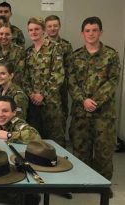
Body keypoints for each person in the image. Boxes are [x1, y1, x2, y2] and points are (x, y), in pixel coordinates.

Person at [69, 17, 120, 188]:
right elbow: (71, 81)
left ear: (101, 32)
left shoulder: (111, 55)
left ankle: (102, 186)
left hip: (103, 114)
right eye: (88, 30)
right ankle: (82, 183)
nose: (91, 33)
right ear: (82, 33)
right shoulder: (76, 56)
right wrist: (84, 100)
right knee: (80, 150)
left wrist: (94, 101)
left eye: (95, 30)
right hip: (80, 112)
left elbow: (113, 81)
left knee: (103, 152)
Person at [24, 17, 66, 147]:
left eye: (37, 29)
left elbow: (58, 74)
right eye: (31, 30)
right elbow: (25, 77)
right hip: (33, 105)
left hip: (50, 103)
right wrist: (32, 94)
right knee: (35, 142)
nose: (34, 32)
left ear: (43, 30)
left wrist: (42, 94)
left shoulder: (55, 48)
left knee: (55, 142)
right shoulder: (29, 52)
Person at [45, 15, 73, 130]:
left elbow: (70, 69)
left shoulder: (66, 45)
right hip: (41, 91)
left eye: (55, 25)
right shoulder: (40, 44)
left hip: (60, 90)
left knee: (59, 122)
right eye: (49, 26)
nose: (52, 28)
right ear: (45, 28)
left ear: (59, 26)